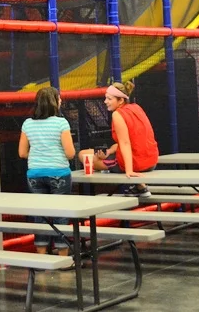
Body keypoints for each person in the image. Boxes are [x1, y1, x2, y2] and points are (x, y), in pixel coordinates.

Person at [19, 88, 76, 255]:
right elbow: (70, 153)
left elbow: (22, 153)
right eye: (59, 99)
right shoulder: (61, 123)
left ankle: (42, 257)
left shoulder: (27, 123)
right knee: (61, 215)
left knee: (40, 216)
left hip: (35, 173)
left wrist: (39, 155)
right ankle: (62, 257)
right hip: (59, 172)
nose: (61, 102)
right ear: (54, 102)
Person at [83, 81, 159, 198]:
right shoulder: (137, 108)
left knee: (83, 155)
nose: (105, 102)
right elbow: (132, 141)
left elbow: (125, 143)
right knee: (93, 154)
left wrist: (129, 171)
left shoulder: (117, 114)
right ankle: (140, 187)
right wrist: (109, 152)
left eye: (109, 99)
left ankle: (140, 186)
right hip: (151, 161)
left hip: (137, 163)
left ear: (121, 100)